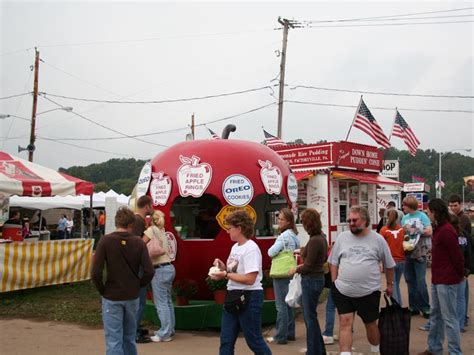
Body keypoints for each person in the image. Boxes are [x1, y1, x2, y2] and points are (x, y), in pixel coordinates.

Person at [329, 206, 395, 355]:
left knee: (371, 324)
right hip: (343, 290)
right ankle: (345, 353)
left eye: (355, 220)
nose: (351, 223)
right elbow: (333, 261)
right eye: (349, 220)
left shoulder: (378, 239)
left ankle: (376, 348)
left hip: (369, 292)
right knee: (345, 323)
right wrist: (334, 283)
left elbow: (389, 264)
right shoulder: (342, 238)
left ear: (365, 221)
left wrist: (390, 284)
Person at [91, 207, 154, 355]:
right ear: (131, 224)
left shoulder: (105, 241)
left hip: (111, 295)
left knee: (114, 340)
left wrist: (102, 290)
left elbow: (95, 272)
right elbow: (149, 271)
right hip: (132, 295)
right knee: (129, 338)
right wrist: (139, 285)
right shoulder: (138, 243)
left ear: (116, 222)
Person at [210, 210, 271, 355]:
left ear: (240, 228)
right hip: (233, 296)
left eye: (230, 228)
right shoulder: (235, 247)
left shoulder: (251, 249)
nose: (227, 231)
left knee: (254, 340)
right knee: (226, 340)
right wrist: (222, 267)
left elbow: (250, 279)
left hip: (250, 297)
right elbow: (235, 272)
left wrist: (225, 274)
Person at [418, 199, 464, 355]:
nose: (427, 214)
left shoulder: (446, 231)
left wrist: (459, 275)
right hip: (438, 279)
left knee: (449, 318)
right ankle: (434, 348)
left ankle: (455, 352)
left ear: (434, 212)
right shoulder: (439, 229)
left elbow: (457, 256)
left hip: (447, 280)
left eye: (429, 211)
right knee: (436, 315)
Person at [289, 208, 328, 355]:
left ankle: (313, 351)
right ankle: (318, 350)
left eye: (303, 221)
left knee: (309, 318)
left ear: (307, 223)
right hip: (318, 279)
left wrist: (296, 269)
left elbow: (308, 266)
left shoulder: (314, 240)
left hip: (311, 280)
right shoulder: (322, 237)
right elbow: (319, 261)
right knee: (311, 316)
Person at [266, 208, 300, 345]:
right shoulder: (294, 235)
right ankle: (290, 333)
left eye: (282, 219)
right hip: (291, 270)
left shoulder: (284, 236)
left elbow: (271, 252)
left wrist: (274, 248)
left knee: (281, 305)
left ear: (289, 221)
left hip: (281, 272)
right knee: (289, 303)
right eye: (278, 219)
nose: (279, 221)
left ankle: (280, 336)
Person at [143, 210, 176, 342]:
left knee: (161, 303)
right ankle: (169, 329)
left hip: (159, 269)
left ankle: (165, 333)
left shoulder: (151, 230)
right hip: (169, 267)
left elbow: (140, 244)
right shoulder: (162, 231)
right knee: (167, 302)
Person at [401, 195, 432, 318]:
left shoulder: (422, 216)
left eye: (404, 205)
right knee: (409, 280)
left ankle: (425, 307)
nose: (403, 207)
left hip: (419, 252)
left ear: (410, 206)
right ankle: (413, 306)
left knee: (420, 281)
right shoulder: (404, 218)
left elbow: (429, 231)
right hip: (407, 251)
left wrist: (416, 230)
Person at [133, 195, 154, 343]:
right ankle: (134, 332)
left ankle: (135, 327)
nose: (152, 208)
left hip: (135, 265)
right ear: (146, 206)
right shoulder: (139, 221)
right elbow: (136, 244)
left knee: (138, 300)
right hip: (138, 265)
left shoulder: (135, 219)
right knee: (140, 301)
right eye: (151, 205)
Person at [449, 194, 472, 329]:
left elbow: (462, 240)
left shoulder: (463, 218)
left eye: (455, 205)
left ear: (460, 205)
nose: (452, 207)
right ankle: (463, 318)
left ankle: (462, 320)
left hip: (462, 257)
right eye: (451, 205)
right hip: (462, 259)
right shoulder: (456, 218)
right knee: (462, 292)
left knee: (461, 294)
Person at [380, 209, 406, 306]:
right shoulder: (402, 230)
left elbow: (381, 246)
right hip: (401, 260)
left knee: (392, 285)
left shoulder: (383, 230)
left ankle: (397, 307)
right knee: (396, 285)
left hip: (390, 261)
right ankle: (399, 304)